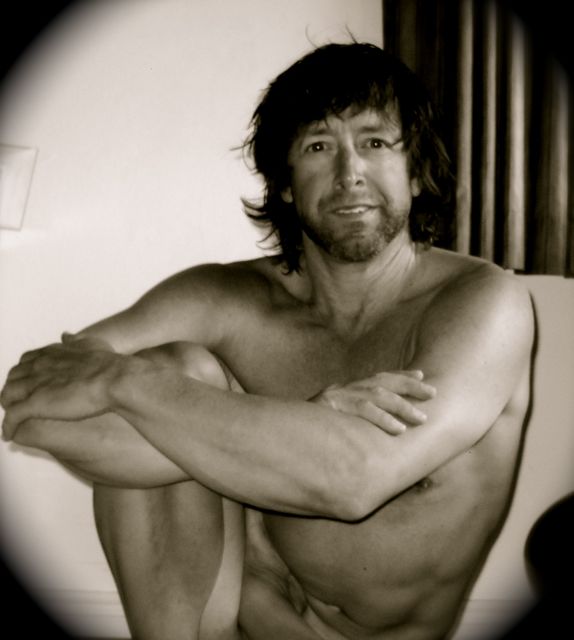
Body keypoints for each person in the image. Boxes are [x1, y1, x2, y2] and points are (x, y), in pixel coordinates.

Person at [1, 43, 534, 640]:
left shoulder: (483, 303)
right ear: (284, 183)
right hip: (224, 623)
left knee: (158, 392)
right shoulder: (225, 298)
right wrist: (298, 420)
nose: (350, 173)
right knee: (179, 370)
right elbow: (32, 411)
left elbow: (355, 479)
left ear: (414, 171)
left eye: (375, 142)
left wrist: (122, 381)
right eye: (318, 146)